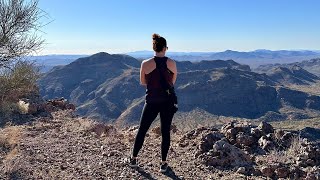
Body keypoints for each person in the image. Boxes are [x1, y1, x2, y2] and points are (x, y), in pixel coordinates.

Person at [128, 33, 178, 173]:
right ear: (165, 48)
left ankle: (133, 159)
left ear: (154, 47)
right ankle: (163, 164)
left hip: (151, 101)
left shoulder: (145, 64)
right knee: (165, 132)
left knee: (142, 130)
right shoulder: (172, 63)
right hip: (167, 102)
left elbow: (143, 82)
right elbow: (172, 82)